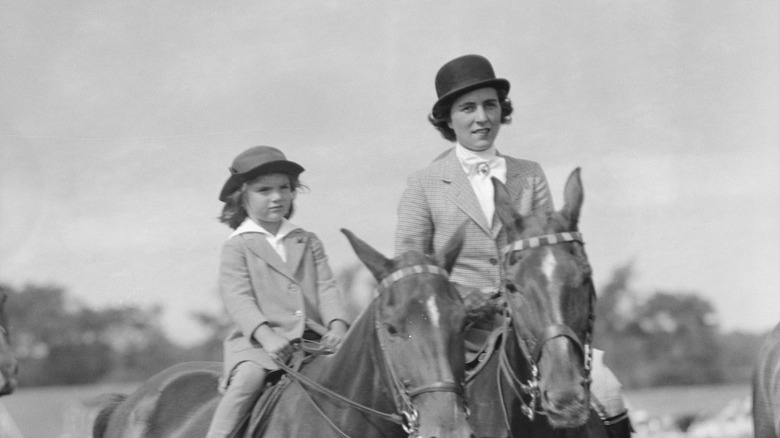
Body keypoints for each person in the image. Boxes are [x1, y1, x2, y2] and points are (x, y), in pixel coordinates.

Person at [395, 54, 631, 437]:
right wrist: (461, 300)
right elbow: (411, 278)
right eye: (467, 108)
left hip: (529, 330)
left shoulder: (530, 175)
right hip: (458, 338)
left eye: (490, 105)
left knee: (607, 388)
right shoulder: (423, 184)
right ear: (447, 119)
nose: (481, 118)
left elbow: (548, 261)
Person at [206, 146, 350, 438]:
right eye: (264, 190)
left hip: (312, 339)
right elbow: (239, 299)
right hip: (260, 345)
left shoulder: (306, 240)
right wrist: (267, 336)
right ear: (242, 196)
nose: (277, 196)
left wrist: (337, 325)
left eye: (284, 188)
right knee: (248, 380)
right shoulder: (238, 246)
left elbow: (326, 286)